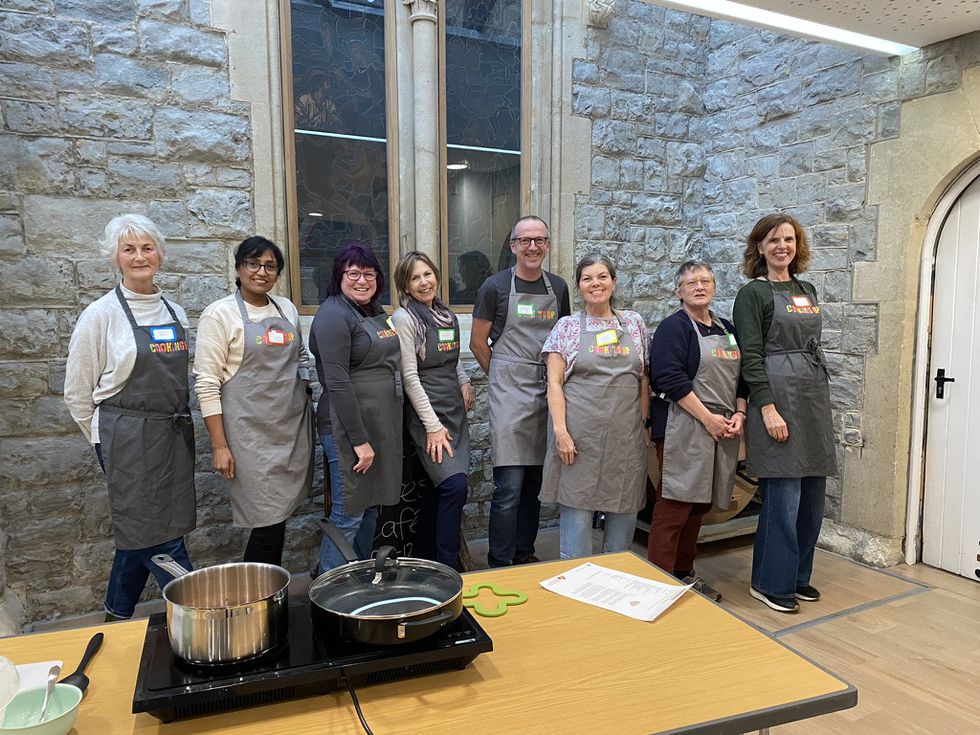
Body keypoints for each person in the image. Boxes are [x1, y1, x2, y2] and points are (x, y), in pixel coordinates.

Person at [65, 214, 196, 621]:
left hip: (171, 434)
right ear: (116, 259)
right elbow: (77, 392)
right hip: (126, 440)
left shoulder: (174, 310)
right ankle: (200, 610)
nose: (139, 257)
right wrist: (104, 439)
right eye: (129, 249)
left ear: (160, 253)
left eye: (147, 247)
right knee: (158, 536)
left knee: (139, 535)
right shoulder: (100, 315)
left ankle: (116, 616)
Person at [733, 214, 836, 613]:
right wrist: (768, 408)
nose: (782, 246)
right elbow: (751, 357)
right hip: (775, 396)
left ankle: (797, 576)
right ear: (759, 247)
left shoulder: (805, 288)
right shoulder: (752, 294)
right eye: (773, 240)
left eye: (789, 239)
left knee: (812, 494)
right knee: (784, 496)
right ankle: (769, 582)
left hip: (811, 397)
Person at [194, 237, 313, 567]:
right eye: (253, 263)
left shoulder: (285, 309)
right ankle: (259, 601)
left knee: (279, 521)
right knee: (267, 524)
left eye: (270, 266)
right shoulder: (220, 315)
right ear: (238, 268)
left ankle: (267, 596)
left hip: (289, 431)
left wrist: (303, 388)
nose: (261, 271)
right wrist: (220, 446)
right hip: (249, 438)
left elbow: (300, 355)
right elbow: (206, 384)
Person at [470, 215, 571, 567]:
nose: (532, 246)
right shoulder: (494, 287)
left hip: (548, 390)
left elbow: (564, 338)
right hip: (509, 394)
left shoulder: (557, 288)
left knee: (534, 486)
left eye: (539, 240)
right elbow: (478, 343)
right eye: (525, 240)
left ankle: (524, 554)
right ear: (513, 246)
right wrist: (502, 375)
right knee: (509, 486)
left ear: (546, 245)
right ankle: (500, 561)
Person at [648, 261, 748, 601]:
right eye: (691, 282)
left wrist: (739, 413)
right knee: (675, 505)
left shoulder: (728, 329)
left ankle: (683, 574)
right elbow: (667, 377)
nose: (699, 286)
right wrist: (707, 418)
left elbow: (742, 378)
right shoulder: (673, 329)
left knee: (698, 506)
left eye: (705, 280)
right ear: (679, 291)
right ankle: (660, 584)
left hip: (721, 427)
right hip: (683, 427)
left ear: (714, 286)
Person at [541, 254, 650, 559]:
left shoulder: (634, 322)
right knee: (577, 526)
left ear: (613, 282)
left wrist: (643, 425)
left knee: (622, 531)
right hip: (579, 439)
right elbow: (554, 385)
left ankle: (614, 586)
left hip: (625, 439)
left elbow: (643, 377)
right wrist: (561, 432)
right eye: (587, 278)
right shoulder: (567, 327)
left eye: (602, 276)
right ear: (579, 286)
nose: (595, 284)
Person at [310, 242, 402, 571]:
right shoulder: (333, 315)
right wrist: (359, 440)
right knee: (349, 512)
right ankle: (329, 588)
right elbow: (336, 383)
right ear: (339, 276)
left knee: (371, 508)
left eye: (369, 273)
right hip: (348, 427)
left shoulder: (373, 312)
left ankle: (362, 578)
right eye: (353, 273)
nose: (361, 280)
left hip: (379, 424)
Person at [391, 252, 474, 570]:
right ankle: (449, 568)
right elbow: (409, 376)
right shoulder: (404, 319)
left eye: (428, 274)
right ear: (406, 285)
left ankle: (425, 560)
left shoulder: (446, 315)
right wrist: (432, 426)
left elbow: (451, 360)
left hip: (454, 411)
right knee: (455, 486)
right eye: (415, 277)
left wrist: (464, 380)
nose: (424, 282)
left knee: (439, 491)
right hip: (428, 415)